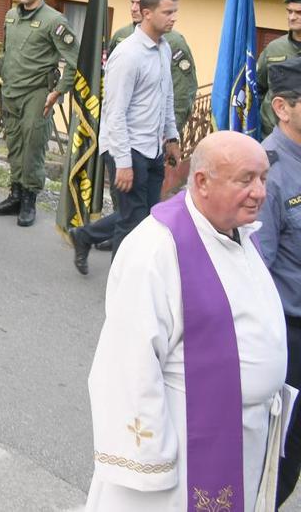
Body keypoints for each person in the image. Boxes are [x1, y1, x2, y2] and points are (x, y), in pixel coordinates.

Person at [84, 131, 287, 511]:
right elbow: (128, 362)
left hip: (241, 437)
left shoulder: (241, 233)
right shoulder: (156, 248)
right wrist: (151, 464)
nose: (260, 192)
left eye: (263, 178)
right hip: (183, 453)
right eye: (246, 180)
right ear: (202, 182)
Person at [70, 0, 182, 274]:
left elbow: (167, 95)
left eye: (175, 12)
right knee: (131, 220)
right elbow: (115, 112)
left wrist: (171, 137)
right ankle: (121, 284)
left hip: (152, 146)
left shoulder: (164, 48)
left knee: (148, 216)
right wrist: (123, 162)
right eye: (167, 12)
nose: (173, 18)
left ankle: (85, 236)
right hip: (128, 147)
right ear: (147, 14)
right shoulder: (128, 54)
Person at [0, 0, 78, 227]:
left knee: (32, 147)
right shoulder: (11, 16)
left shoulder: (55, 21)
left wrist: (58, 92)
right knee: (14, 145)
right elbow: (10, 53)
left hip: (37, 93)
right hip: (11, 90)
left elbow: (75, 60)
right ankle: (15, 194)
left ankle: (29, 199)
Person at [256, 57, 301, 503]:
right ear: (282, 108)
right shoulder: (267, 174)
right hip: (289, 337)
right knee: (279, 460)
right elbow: (256, 271)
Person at [108, 0, 198, 134]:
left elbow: (183, 91)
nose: (134, 8)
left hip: (155, 129)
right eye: (132, 3)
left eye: (139, 3)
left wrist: (170, 131)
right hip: (123, 125)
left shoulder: (172, 42)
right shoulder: (121, 36)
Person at [258, 0, 301, 137]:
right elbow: (258, 87)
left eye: (299, 12)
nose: (292, 17)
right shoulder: (274, 48)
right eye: (289, 12)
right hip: (272, 134)